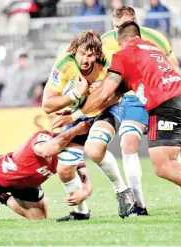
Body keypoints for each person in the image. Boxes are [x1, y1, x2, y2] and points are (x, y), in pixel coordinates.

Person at [53, 21, 181, 220]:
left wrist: (76, 108)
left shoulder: (122, 55)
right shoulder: (152, 49)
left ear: (120, 40)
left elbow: (104, 95)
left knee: (163, 165)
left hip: (165, 104)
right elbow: (118, 94)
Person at [100, 6, 181, 215]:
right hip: (133, 100)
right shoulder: (105, 42)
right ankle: (139, 205)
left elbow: (174, 67)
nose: (119, 32)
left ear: (135, 23)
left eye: (123, 26)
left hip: (161, 97)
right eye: (116, 27)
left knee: (169, 150)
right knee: (127, 141)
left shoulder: (155, 38)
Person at [43, 30, 134, 220]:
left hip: (109, 107)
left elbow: (117, 95)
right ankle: (81, 212)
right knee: (64, 169)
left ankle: (122, 190)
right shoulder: (64, 64)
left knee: (94, 149)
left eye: (91, 55)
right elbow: (47, 105)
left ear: (98, 54)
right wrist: (74, 95)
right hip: (80, 111)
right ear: (75, 50)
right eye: (82, 53)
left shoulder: (109, 62)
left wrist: (90, 102)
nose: (85, 59)